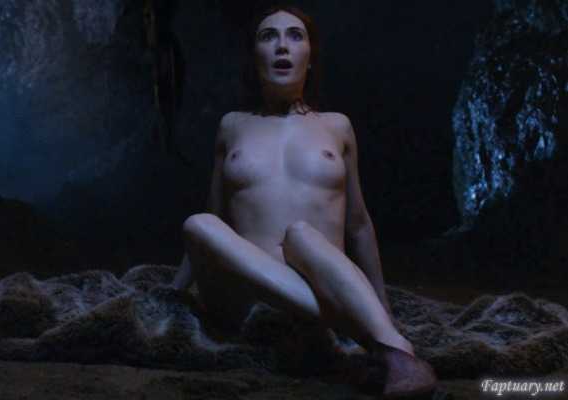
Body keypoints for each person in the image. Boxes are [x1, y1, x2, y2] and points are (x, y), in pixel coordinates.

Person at [173, 5, 437, 397]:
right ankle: (373, 336)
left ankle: (393, 346)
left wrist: (383, 309)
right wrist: (173, 293)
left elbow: (358, 224)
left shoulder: (337, 126)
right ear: (254, 57)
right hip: (243, 299)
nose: (282, 46)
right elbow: (214, 219)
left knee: (301, 234)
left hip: (319, 287)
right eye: (268, 36)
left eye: (295, 36)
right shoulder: (232, 125)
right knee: (198, 223)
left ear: (310, 57)